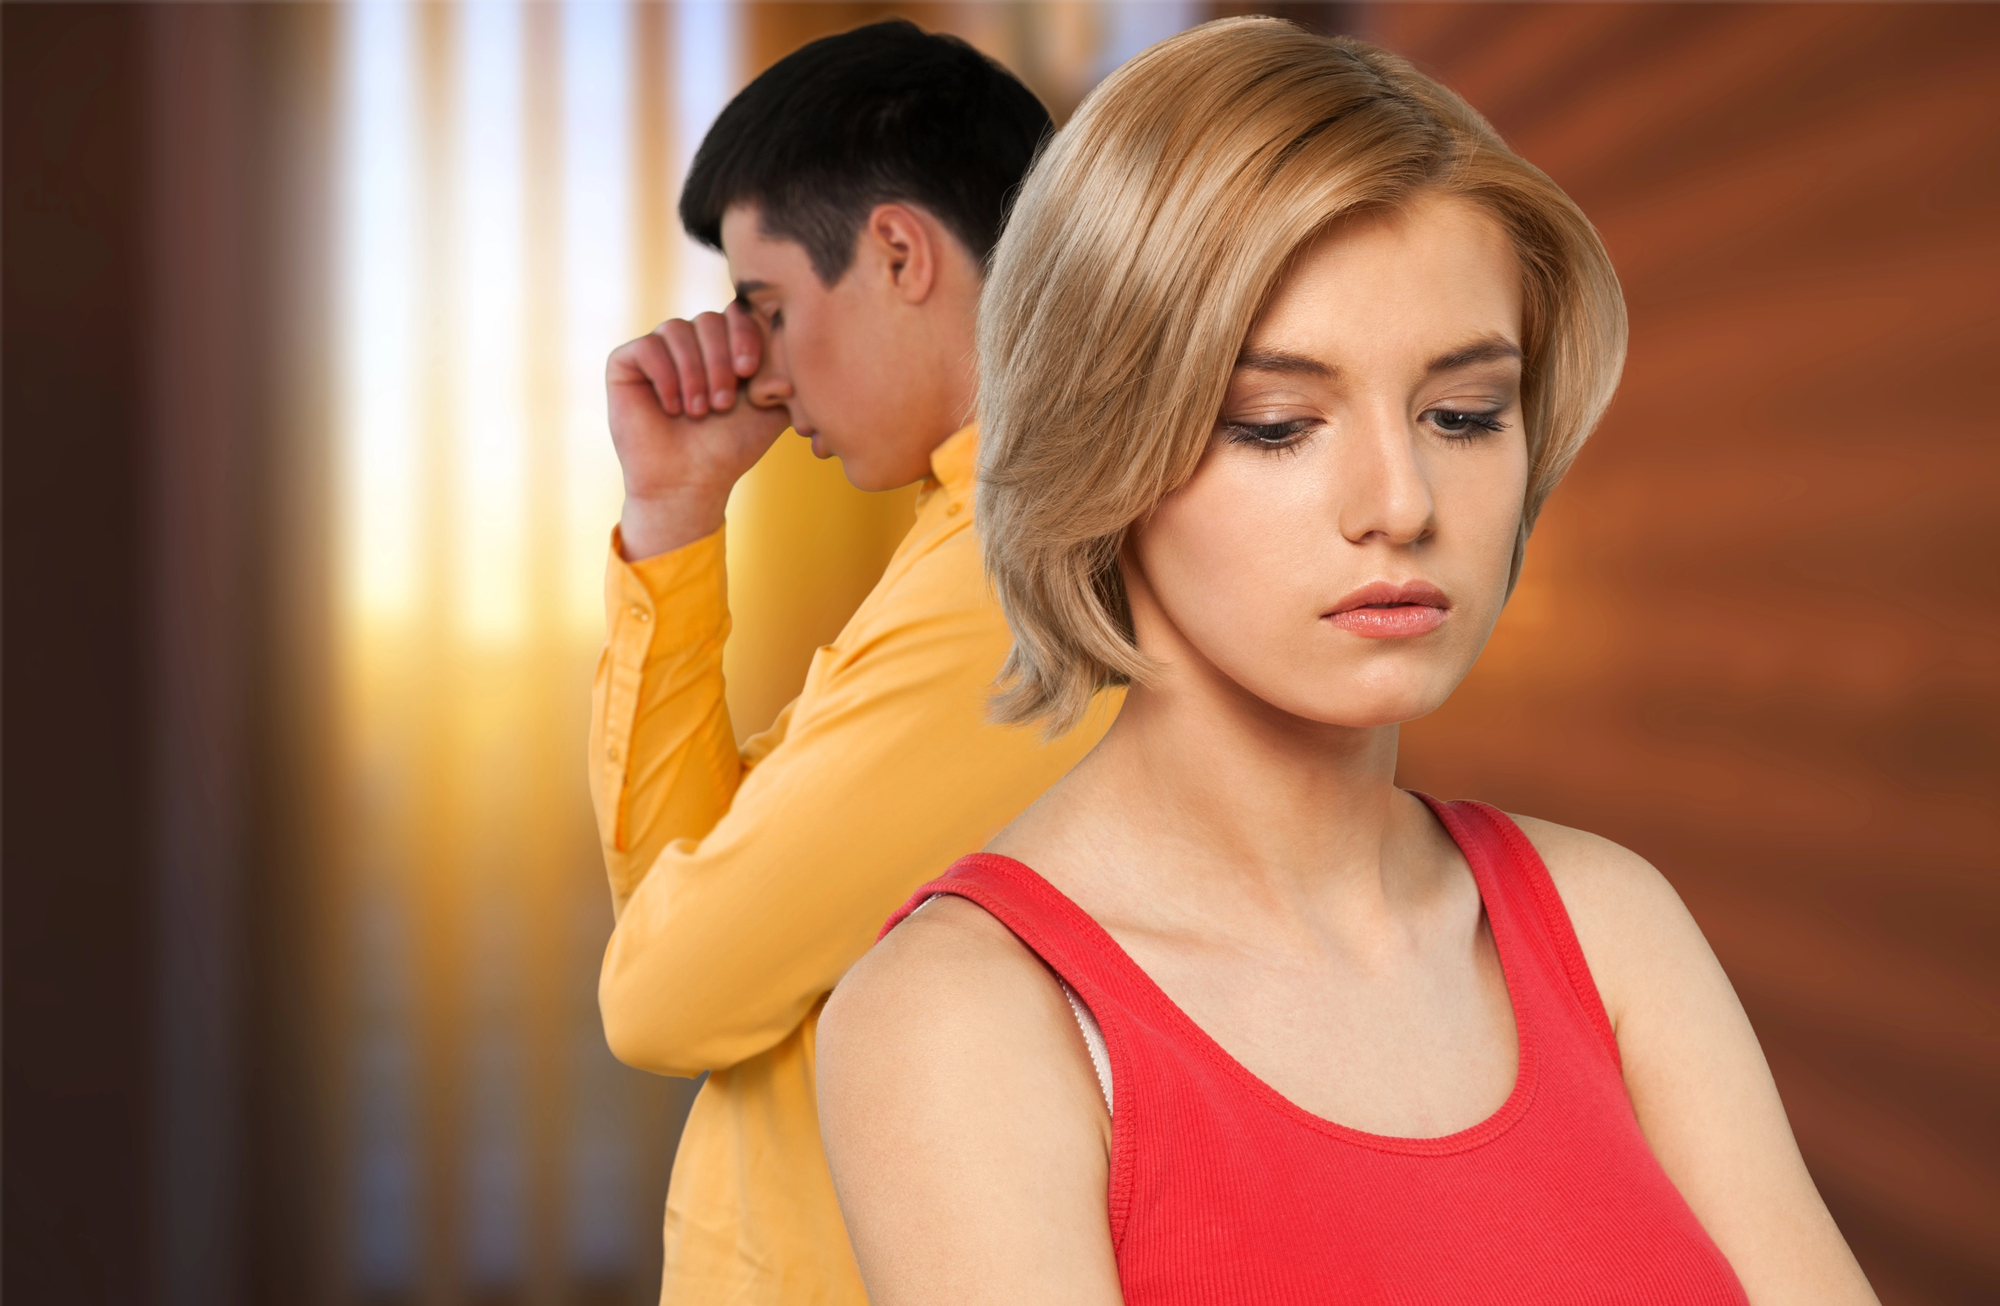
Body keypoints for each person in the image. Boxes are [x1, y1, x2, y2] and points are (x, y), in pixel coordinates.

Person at [817, 20, 1881, 1305]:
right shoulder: (965, 1017)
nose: (1400, 501)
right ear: (1102, 441)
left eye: (1462, 415)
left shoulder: (1606, 923)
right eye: (1276, 425)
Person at [589, 20, 1112, 1304]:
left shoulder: (1014, 576)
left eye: (767, 308)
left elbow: (662, 1001)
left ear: (895, 252)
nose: (754, 366)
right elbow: (683, 882)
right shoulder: (963, 541)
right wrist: (672, 520)